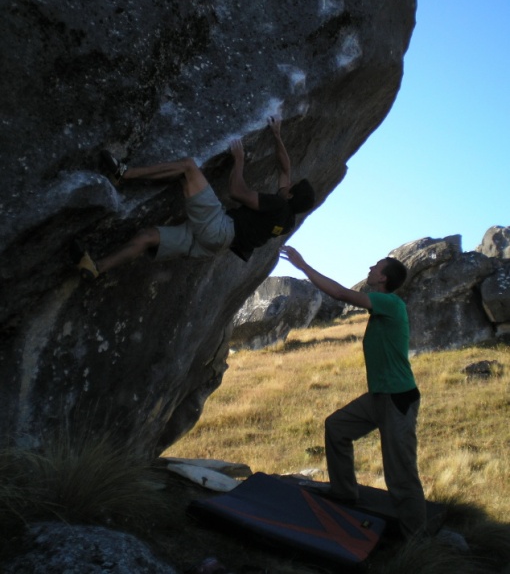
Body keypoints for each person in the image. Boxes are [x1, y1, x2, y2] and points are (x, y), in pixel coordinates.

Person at [280, 245, 427, 540]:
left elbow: (341, 294)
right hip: (379, 396)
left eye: (377, 266)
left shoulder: (390, 303)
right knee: (337, 427)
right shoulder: (382, 304)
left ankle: (418, 540)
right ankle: (345, 493)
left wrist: (303, 266)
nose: (371, 268)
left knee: (400, 474)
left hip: (397, 398)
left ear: (384, 278)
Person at [72, 119, 315, 279]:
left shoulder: (278, 204)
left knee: (188, 167)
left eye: (291, 186)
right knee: (147, 237)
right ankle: (95, 268)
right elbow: (285, 169)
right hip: (213, 246)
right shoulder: (287, 218)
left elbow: (237, 192)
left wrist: (239, 159)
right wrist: (277, 134)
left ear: (290, 194)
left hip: (220, 229)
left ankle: (123, 174)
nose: (288, 183)